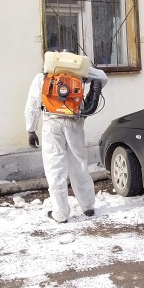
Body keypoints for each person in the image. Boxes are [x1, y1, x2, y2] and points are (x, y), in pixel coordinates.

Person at [24, 54, 108, 223]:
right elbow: (102, 78)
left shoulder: (42, 77)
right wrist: (83, 71)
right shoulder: (78, 74)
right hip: (74, 122)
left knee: (55, 168)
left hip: (51, 123)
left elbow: (32, 104)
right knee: (79, 164)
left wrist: (31, 130)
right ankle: (88, 206)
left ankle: (60, 213)